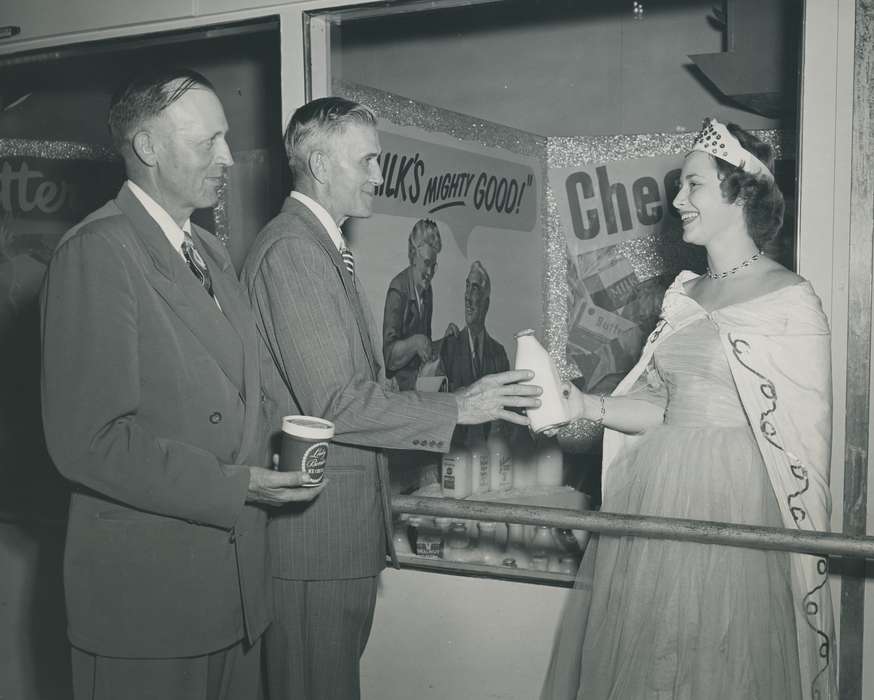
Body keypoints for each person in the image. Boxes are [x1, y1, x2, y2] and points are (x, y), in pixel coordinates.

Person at [241, 96, 540, 700]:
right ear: (321, 165)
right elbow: (337, 402)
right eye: (369, 161)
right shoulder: (296, 250)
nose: (380, 175)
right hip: (315, 545)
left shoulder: (318, 247)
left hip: (333, 537)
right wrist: (461, 406)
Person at [40, 67, 324, 700]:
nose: (228, 158)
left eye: (225, 139)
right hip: (149, 609)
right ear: (147, 149)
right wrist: (238, 484)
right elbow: (88, 441)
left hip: (234, 598)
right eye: (208, 143)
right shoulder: (98, 251)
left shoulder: (211, 251)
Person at [541, 118, 836, 700]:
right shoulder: (684, 295)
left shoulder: (790, 301)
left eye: (693, 185)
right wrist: (584, 403)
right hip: (660, 498)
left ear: (739, 192)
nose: (677, 200)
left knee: (722, 664)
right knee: (652, 660)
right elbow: (661, 409)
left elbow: (804, 448)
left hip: (737, 510)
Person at [439, 260, 510, 445]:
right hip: (455, 458)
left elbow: (506, 417)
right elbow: (435, 407)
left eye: (475, 288)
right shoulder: (448, 347)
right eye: (467, 287)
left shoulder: (499, 354)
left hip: (489, 457)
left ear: (486, 304)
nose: (467, 297)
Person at [383, 218, 442, 390]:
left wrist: (444, 342)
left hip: (417, 388)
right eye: (426, 263)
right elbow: (389, 358)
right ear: (413, 255)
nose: (430, 272)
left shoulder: (427, 292)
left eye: (434, 265)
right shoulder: (398, 289)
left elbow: (425, 347)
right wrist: (415, 343)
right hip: (397, 392)